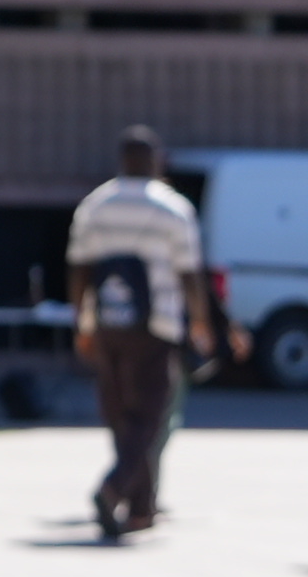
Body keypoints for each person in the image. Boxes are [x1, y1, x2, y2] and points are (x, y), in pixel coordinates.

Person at [68, 125, 214, 541]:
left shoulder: (94, 206)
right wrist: (199, 323)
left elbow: (79, 269)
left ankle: (140, 508)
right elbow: (189, 273)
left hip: (108, 324)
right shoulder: (172, 208)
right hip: (158, 326)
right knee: (149, 415)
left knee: (119, 413)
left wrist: (82, 322)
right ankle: (114, 488)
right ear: (154, 161)